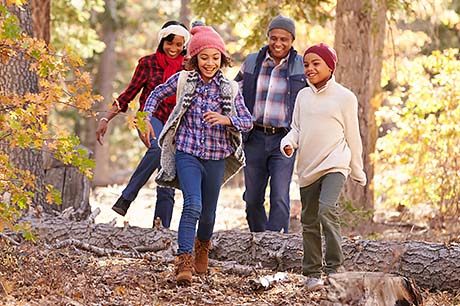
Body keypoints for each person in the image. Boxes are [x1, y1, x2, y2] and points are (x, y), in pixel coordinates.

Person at [141, 25, 253, 285]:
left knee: (209, 213)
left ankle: (203, 247)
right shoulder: (183, 80)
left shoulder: (229, 88)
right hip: (187, 152)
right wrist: (145, 117)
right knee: (192, 205)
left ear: (222, 59)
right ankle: (183, 261)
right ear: (194, 58)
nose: (210, 63)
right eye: (204, 57)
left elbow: (247, 121)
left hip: (215, 156)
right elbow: (157, 93)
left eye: (215, 58)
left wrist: (226, 119)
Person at [280, 43, 367, 291]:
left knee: (326, 209)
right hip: (308, 167)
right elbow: (295, 129)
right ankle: (312, 274)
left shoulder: (345, 97)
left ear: (331, 66)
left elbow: (353, 136)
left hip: (335, 163)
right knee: (308, 220)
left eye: (316, 63)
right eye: (306, 64)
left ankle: (334, 269)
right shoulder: (302, 96)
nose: (309, 68)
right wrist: (287, 144)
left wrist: (357, 169)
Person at [95, 21, 190, 228]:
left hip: (176, 125)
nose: (174, 49)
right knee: (158, 149)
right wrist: (105, 118)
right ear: (162, 41)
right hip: (148, 118)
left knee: (167, 175)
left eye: (179, 45)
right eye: (170, 43)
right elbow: (128, 94)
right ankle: (127, 197)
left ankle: (161, 229)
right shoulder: (147, 63)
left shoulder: (189, 67)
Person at [235, 15, 307, 233]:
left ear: (292, 40)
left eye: (284, 39)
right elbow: (233, 92)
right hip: (254, 137)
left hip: (284, 138)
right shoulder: (251, 61)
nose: (278, 43)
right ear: (268, 37)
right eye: (274, 38)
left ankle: (276, 241)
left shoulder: (301, 66)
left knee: (279, 195)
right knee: (253, 198)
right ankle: (259, 239)